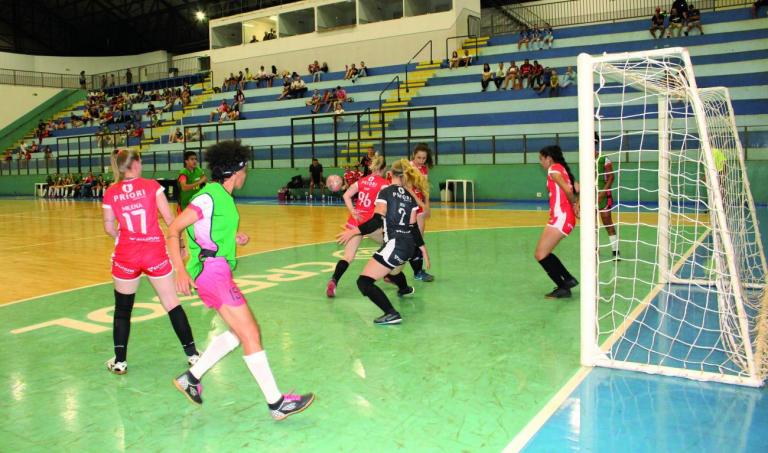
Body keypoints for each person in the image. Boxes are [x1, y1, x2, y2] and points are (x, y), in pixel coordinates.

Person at [167, 141, 314, 418]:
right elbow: (174, 229)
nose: (246, 174)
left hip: (215, 270)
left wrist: (233, 239)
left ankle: (192, 378)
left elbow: (205, 232)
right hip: (213, 273)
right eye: (245, 169)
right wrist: (180, 269)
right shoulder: (208, 196)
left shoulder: (223, 198)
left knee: (238, 333)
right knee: (251, 334)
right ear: (237, 171)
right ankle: (276, 403)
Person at [101, 149, 200, 374]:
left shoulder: (111, 192)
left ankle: (120, 361)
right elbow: (169, 219)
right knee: (171, 303)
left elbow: (108, 227)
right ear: (135, 164)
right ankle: (193, 355)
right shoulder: (152, 186)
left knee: (122, 310)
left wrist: (122, 236)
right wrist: (182, 245)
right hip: (154, 252)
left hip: (126, 255)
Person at [336, 159, 430, 325]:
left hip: (396, 244)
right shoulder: (409, 197)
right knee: (392, 271)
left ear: (390, 174)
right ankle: (404, 289)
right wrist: (423, 250)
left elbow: (376, 221)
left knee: (364, 282)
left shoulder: (385, 192)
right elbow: (413, 226)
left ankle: (391, 313)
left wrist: (353, 231)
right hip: (408, 246)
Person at [327, 154, 389, 297]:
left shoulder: (362, 181)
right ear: (384, 168)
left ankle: (334, 280)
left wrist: (353, 211)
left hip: (355, 220)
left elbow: (346, 196)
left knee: (348, 256)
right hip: (371, 223)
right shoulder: (384, 184)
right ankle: (389, 275)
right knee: (389, 244)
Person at [535, 145, 580, 299]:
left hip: (561, 217)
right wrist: (577, 203)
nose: (541, 162)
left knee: (541, 254)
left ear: (549, 158)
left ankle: (565, 284)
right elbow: (578, 188)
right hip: (561, 217)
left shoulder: (554, 169)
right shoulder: (564, 170)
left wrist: (574, 204)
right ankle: (566, 281)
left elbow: (568, 191)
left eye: (541, 158)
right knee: (543, 253)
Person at [408, 144, 434, 282]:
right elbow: (409, 189)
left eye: (424, 158)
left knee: (418, 239)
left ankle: (418, 271)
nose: (421, 160)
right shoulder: (409, 167)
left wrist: (427, 204)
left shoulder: (423, 168)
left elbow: (425, 187)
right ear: (413, 155)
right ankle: (415, 271)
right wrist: (421, 203)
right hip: (410, 204)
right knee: (413, 239)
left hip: (420, 205)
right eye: (419, 157)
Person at [595, 133, 620, 259]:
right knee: (592, 225)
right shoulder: (584, 159)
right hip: (590, 196)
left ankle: (615, 251)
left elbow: (611, 177)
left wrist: (602, 193)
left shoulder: (604, 159)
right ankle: (594, 250)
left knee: (607, 222)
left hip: (604, 195)